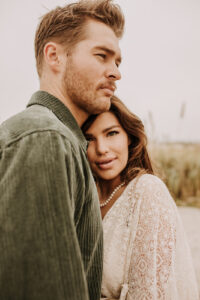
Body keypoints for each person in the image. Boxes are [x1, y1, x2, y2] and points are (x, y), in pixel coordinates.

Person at [0, 1, 124, 299]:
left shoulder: (61, 140)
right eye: (101, 56)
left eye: (117, 62)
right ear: (54, 56)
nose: (115, 73)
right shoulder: (44, 138)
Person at [82, 95, 199, 300]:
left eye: (111, 133)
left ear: (129, 136)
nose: (101, 148)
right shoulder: (83, 193)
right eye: (89, 139)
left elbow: (147, 294)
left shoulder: (147, 191)